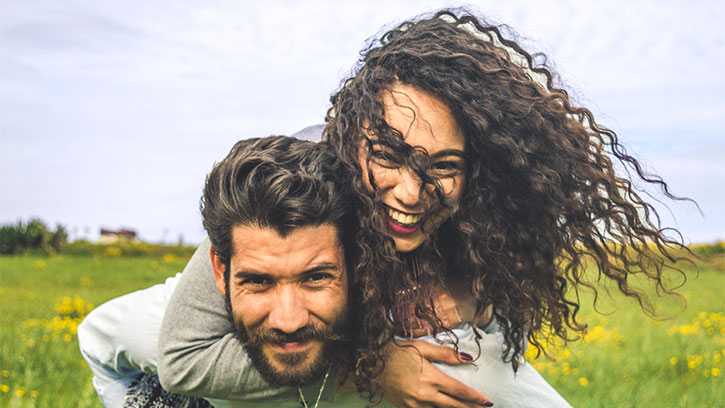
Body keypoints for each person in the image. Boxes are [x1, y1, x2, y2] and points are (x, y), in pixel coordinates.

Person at [87, 8, 691, 408]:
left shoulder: (490, 218)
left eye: (443, 167)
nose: (408, 192)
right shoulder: (302, 183)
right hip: (295, 319)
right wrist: (370, 366)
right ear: (349, 137)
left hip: (369, 323)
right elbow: (184, 356)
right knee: (106, 332)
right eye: (388, 156)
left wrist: (465, 300)